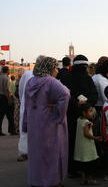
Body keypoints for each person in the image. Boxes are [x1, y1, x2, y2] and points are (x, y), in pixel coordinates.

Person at [22, 57, 70, 187]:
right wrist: (58, 112)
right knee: (51, 154)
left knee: (37, 154)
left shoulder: (31, 82)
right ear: (50, 68)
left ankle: (36, 181)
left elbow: (26, 105)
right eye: (55, 67)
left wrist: (25, 123)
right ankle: (52, 182)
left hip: (34, 123)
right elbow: (65, 94)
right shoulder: (51, 82)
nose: (57, 70)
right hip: (49, 123)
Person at [63, 55, 98, 177]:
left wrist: (87, 103)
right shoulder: (67, 77)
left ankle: (85, 169)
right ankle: (73, 169)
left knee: (86, 141)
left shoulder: (88, 78)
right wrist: (76, 102)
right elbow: (64, 95)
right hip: (72, 114)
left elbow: (94, 94)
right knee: (73, 141)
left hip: (86, 115)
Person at [17, 55, 45, 162]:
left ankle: (32, 151)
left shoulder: (43, 76)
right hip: (29, 105)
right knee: (25, 129)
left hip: (33, 105)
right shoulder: (28, 74)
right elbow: (21, 89)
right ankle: (24, 152)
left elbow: (20, 90)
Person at [74, 103, 102, 185]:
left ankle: (83, 179)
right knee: (90, 164)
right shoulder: (86, 122)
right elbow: (86, 134)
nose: (92, 113)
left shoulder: (79, 119)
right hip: (87, 147)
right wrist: (96, 138)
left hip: (81, 147)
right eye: (90, 111)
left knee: (83, 164)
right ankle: (90, 179)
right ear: (84, 113)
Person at [0, 66, 16, 135]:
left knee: (1, 115)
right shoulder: (6, 78)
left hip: (0, 97)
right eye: (9, 70)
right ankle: (12, 130)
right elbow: (6, 90)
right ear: (7, 71)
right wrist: (9, 99)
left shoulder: (0, 77)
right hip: (4, 97)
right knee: (10, 114)